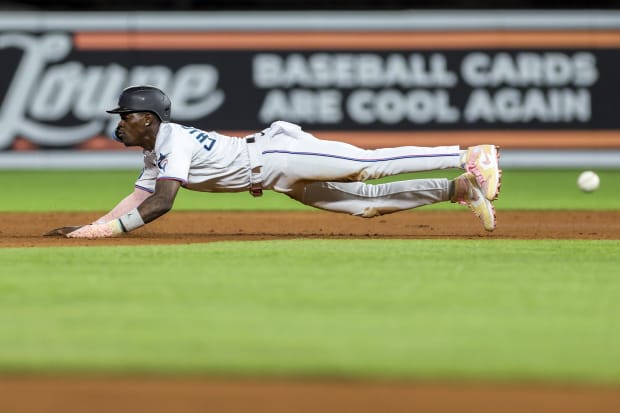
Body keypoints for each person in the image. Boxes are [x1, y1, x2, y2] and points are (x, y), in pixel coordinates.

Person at [45, 85, 501, 238]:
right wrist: (93, 227)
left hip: (276, 155)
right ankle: (459, 188)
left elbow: (162, 203)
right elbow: (140, 196)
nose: (119, 124)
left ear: (148, 118)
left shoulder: (173, 139)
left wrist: (108, 232)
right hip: (276, 177)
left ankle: (466, 155)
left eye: (125, 117)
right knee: (365, 204)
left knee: (366, 165)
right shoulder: (156, 148)